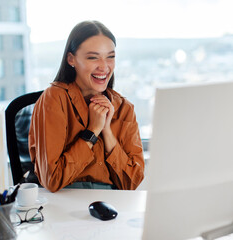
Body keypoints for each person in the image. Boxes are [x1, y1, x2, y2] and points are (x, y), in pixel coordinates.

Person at [28, 21, 145, 192]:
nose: (104, 67)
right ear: (71, 59)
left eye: (110, 57)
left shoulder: (124, 108)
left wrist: (106, 130)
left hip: (113, 203)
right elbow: (52, 179)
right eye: (93, 57)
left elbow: (131, 183)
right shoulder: (54, 98)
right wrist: (92, 132)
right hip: (65, 200)